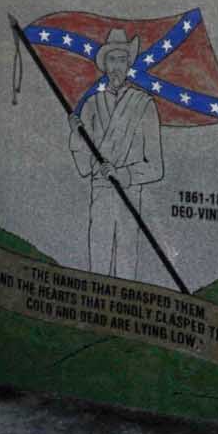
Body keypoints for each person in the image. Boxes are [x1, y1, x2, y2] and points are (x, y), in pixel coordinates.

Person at [68, 28, 163, 278]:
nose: (117, 66)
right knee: (98, 258)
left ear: (129, 63)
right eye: (112, 59)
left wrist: (123, 174)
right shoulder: (91, 104)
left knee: (126, 259)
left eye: (122, 59)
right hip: (100, 193)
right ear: (105, 65)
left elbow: (156, 167)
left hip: (129, 193)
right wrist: (77, 135)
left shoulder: (144, 104)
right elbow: (83, 167)